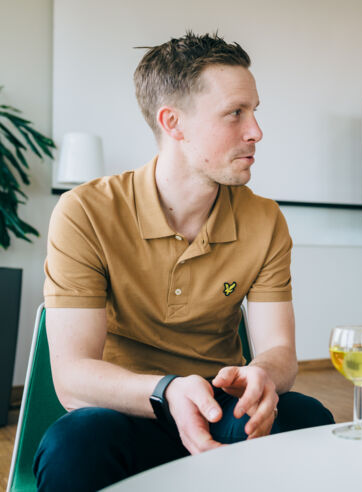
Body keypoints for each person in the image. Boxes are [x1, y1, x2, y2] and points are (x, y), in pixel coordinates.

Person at [35, 32, 334, 491]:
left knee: (311, 419)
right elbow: (72, 377)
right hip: (127, 410)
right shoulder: (86, 212)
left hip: (221, 409)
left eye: (254, 111)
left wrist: (262, 376)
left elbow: (280, 353)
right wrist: (168, 389)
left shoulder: (265, 219)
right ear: (173, 122)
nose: (256, 130)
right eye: (236, 113)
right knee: (74, 443)